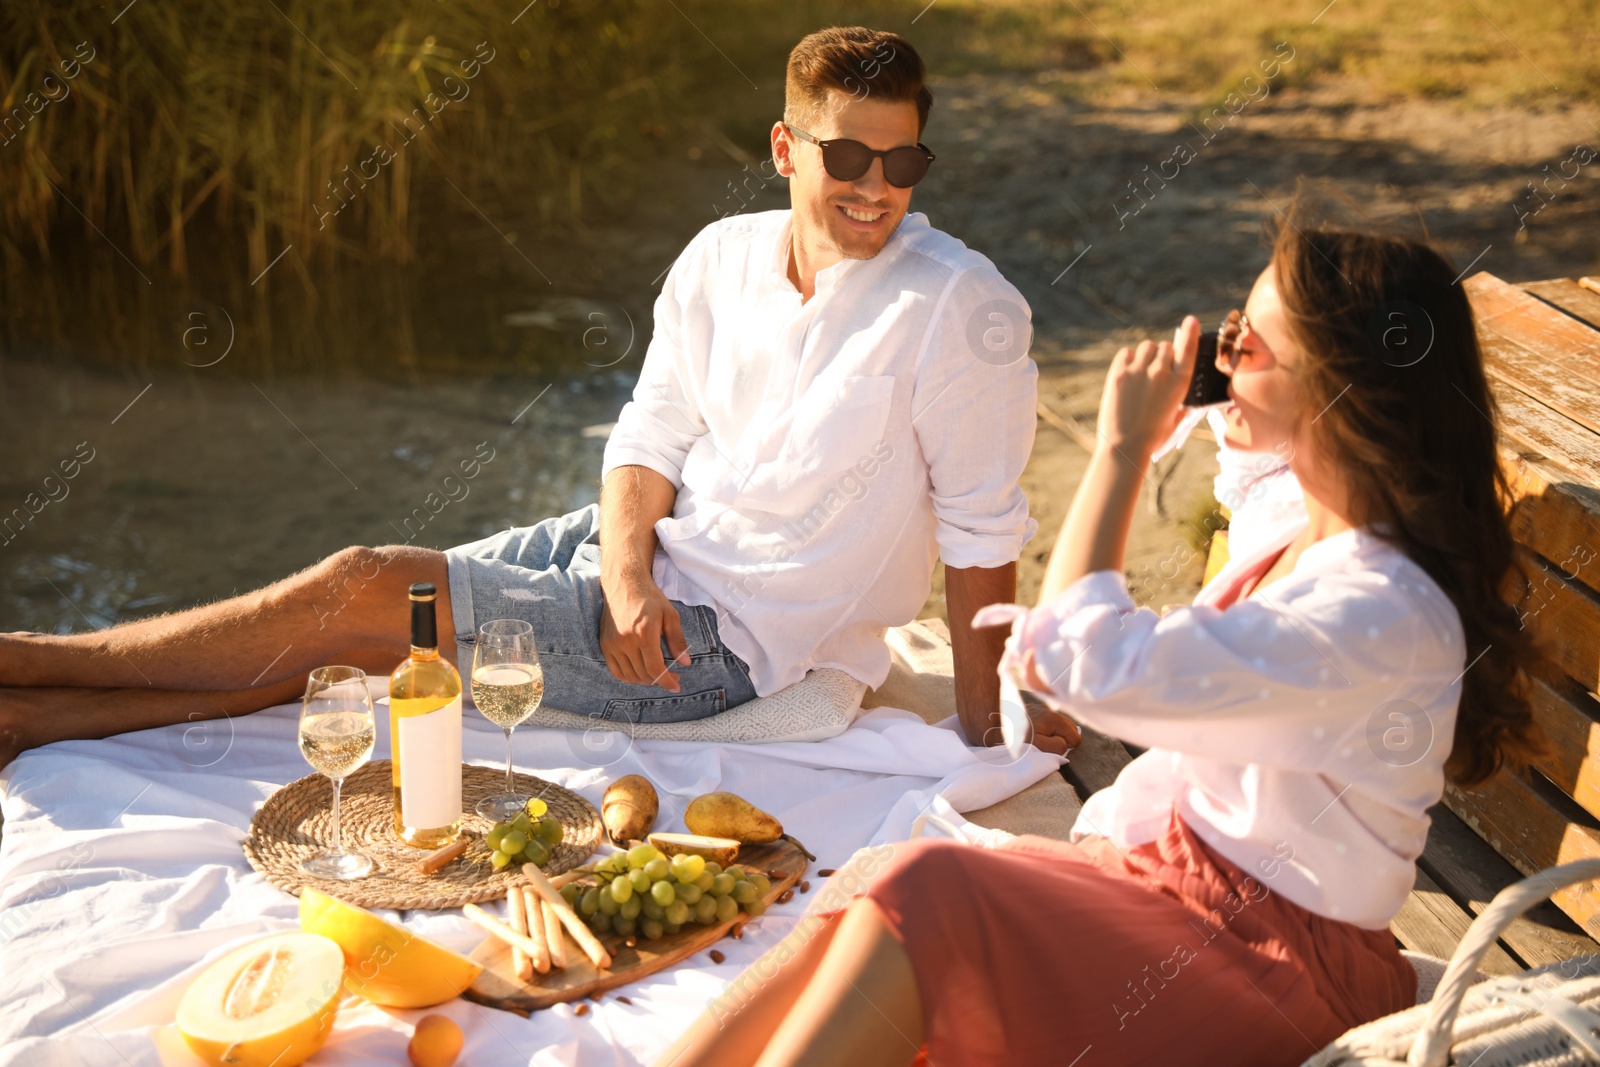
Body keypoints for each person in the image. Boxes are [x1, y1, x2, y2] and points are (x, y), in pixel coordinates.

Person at [0, 26, 1080, 769]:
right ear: (785, 148)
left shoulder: (959, 310)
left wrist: (985, 732)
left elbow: (983, 527)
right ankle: (35, 715)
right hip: (647, 557)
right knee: (380, 638)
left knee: (366, 583)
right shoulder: (719, 256)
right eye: (849, 154)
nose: (876, 188)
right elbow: (651, 429)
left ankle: (30, 665)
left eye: (905, 164)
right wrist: (623, 573)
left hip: (729, 644)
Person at [654, 221, 1549, 1067]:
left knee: (931, 894)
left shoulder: (1373, 610)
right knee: (879, 881)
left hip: (1271, 961)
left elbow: (1079, 664)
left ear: (1341, 388)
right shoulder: (1307, 527)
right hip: (1186, 892)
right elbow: (1255, 474)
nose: (1223, 355)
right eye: (1230, 330)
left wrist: (1120, 455)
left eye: (1250, 345)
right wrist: (1211, 396)